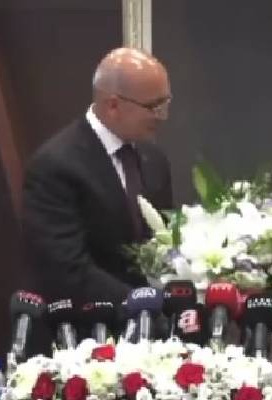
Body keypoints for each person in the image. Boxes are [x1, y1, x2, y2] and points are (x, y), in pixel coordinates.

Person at [22, 48, 173, 309]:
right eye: (153, 107)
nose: (163, 116)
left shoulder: (154, 158)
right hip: (88, 320)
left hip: (152, 320)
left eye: (165, 103)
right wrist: (142, 305)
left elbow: (165, 241)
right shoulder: (55, 166)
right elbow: (66, 270)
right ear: (113, 106)